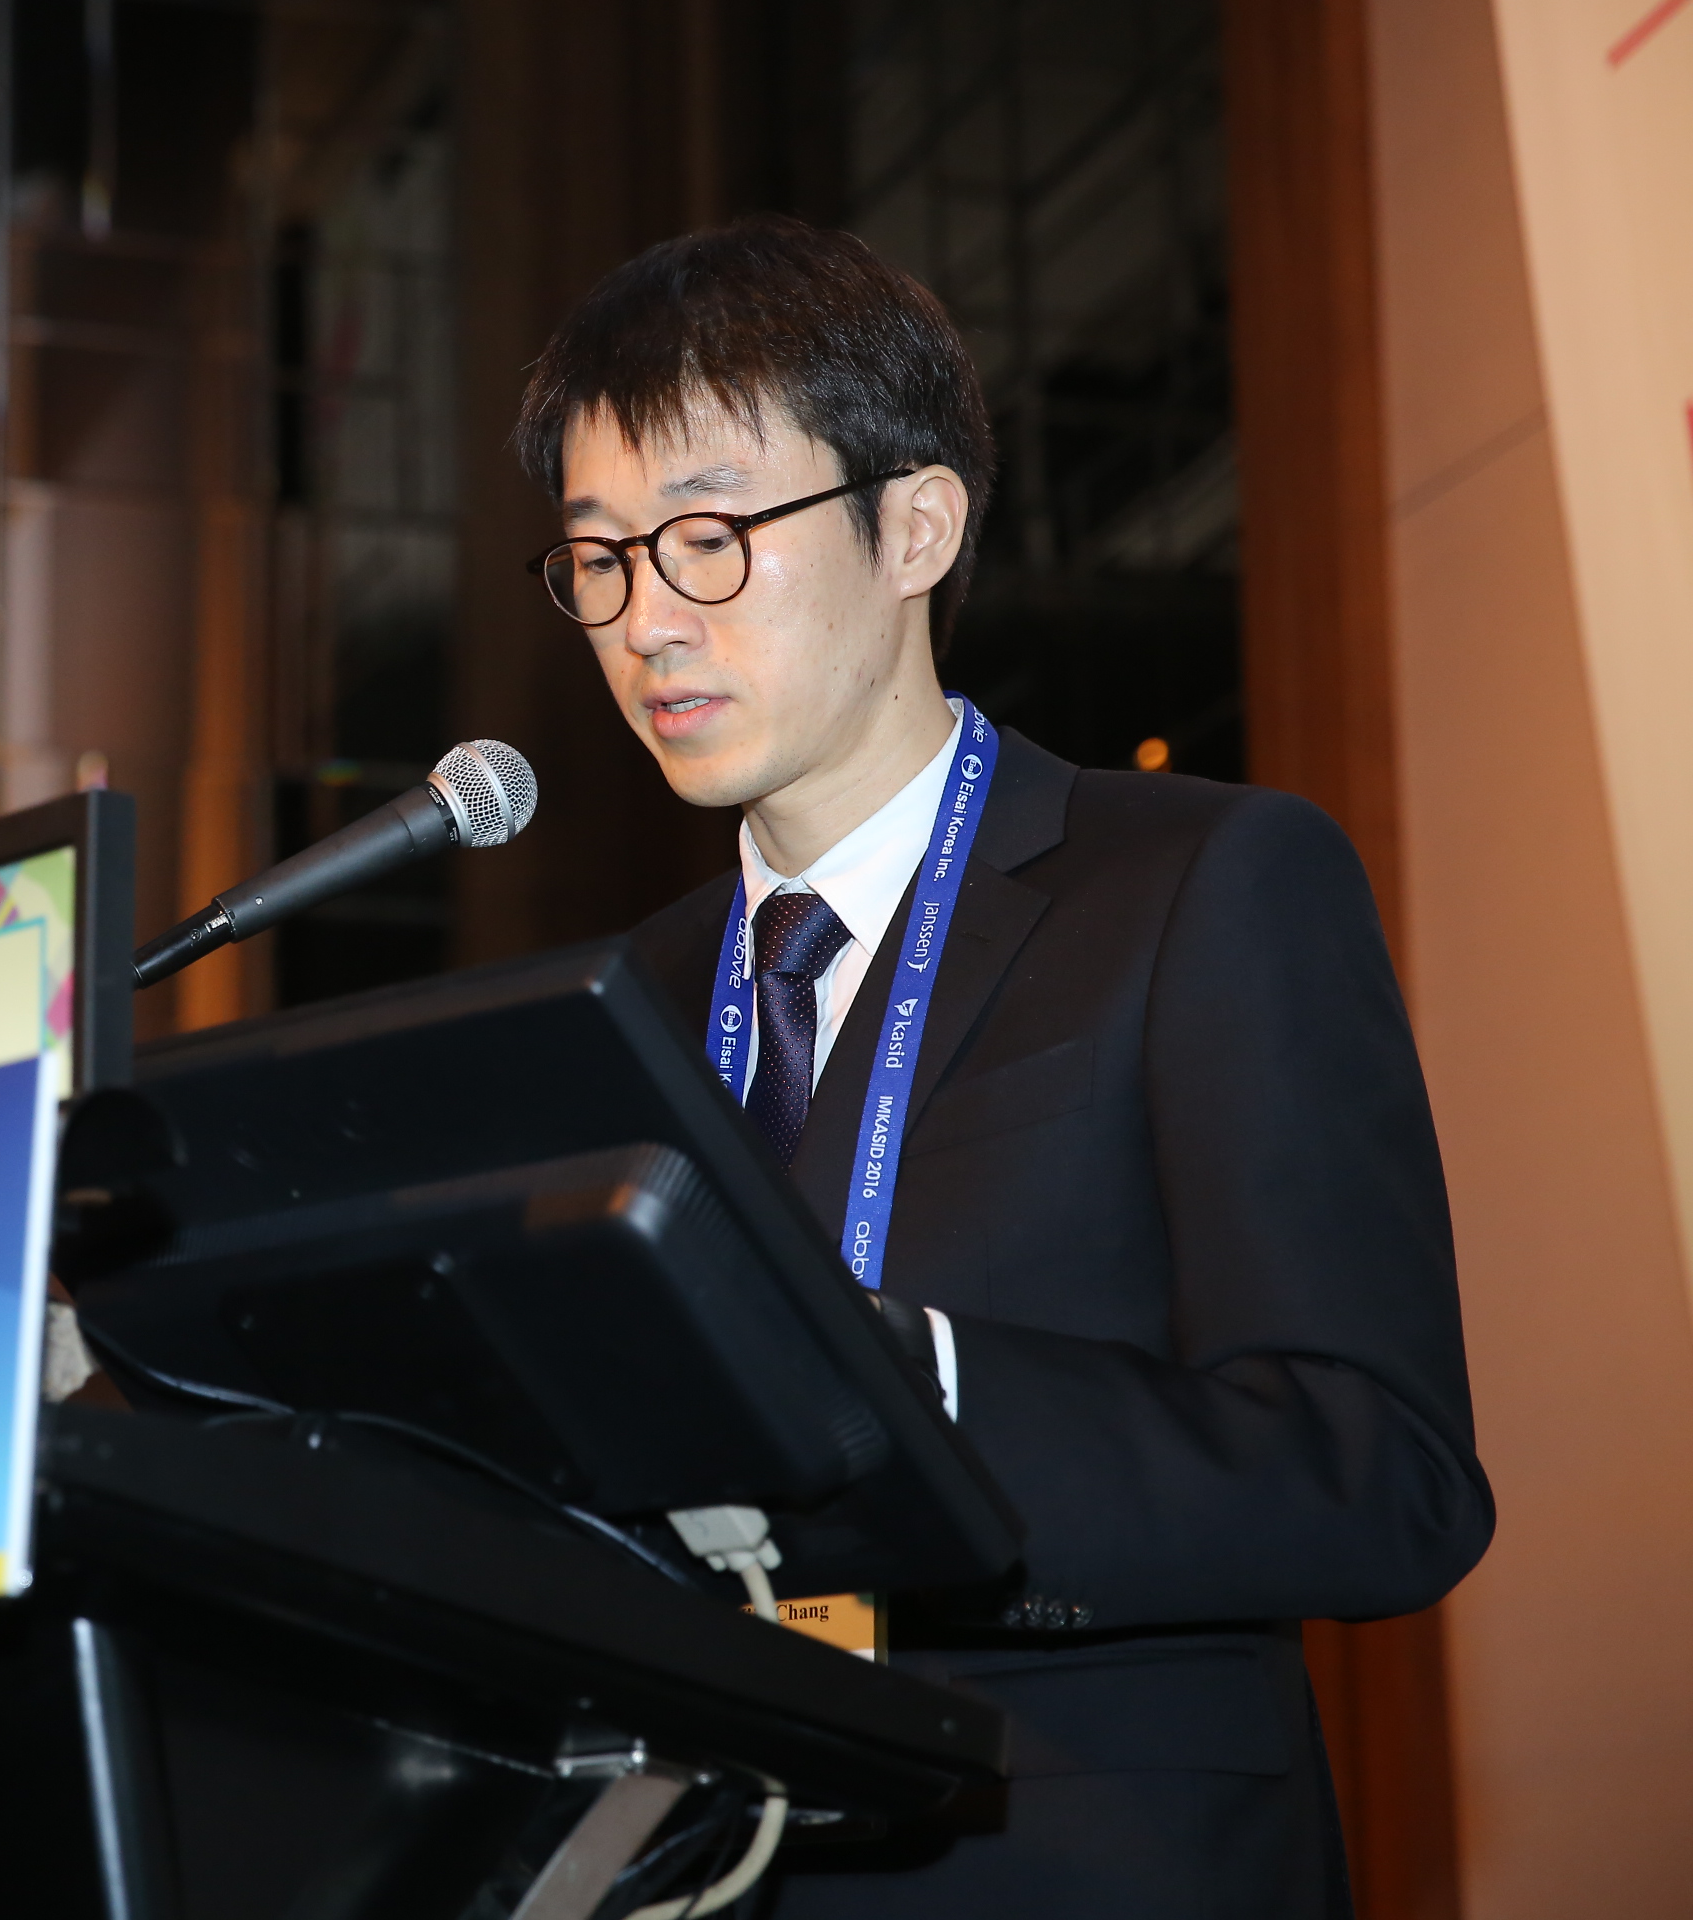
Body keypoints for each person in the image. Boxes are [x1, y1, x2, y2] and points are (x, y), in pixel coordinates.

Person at [513, 217, 1492, 1917]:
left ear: (917, 526)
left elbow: (1380, 1474)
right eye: (600, 557)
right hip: (697, 1868)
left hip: (1070, 1860)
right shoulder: (623, 1005)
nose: (646, 621)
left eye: (710, 536)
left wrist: (928, 1383)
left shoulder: (1199, 885)